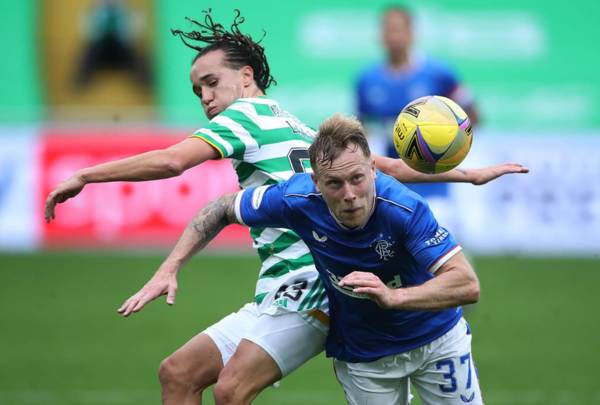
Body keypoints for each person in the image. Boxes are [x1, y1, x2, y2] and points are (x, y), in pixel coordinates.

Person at [45, 10, 516, 405]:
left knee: (230, 390)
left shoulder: (243, 116)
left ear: (246, 77)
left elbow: (172, 161)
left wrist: (86, 175)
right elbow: (380, 165)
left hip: (311, 281)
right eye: (197, 90)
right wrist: (464, 174)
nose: (205, 97)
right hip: (282, 286)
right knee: (178, 374)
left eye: (211, 82)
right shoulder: (291, 122)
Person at [138, 113, 484, 404]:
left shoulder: (404, 209)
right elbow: (222, 208)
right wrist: (170, 267)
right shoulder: (297, 199)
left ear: (373, 170)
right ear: (315, 182)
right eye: (335, 184)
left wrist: (393, 297)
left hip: (437, 341)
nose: (349, 194)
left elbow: (466, 284)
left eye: (357, 179)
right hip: (366, 356)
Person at [356, 5, 479, 216]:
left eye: (398, 29)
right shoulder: (366, 79)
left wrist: (448, 140)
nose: (393, 36)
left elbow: (473, 115)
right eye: (387, 29)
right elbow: (361, 127)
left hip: (435, 185)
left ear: (412, 33)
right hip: (393, 185)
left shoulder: (440, 73)